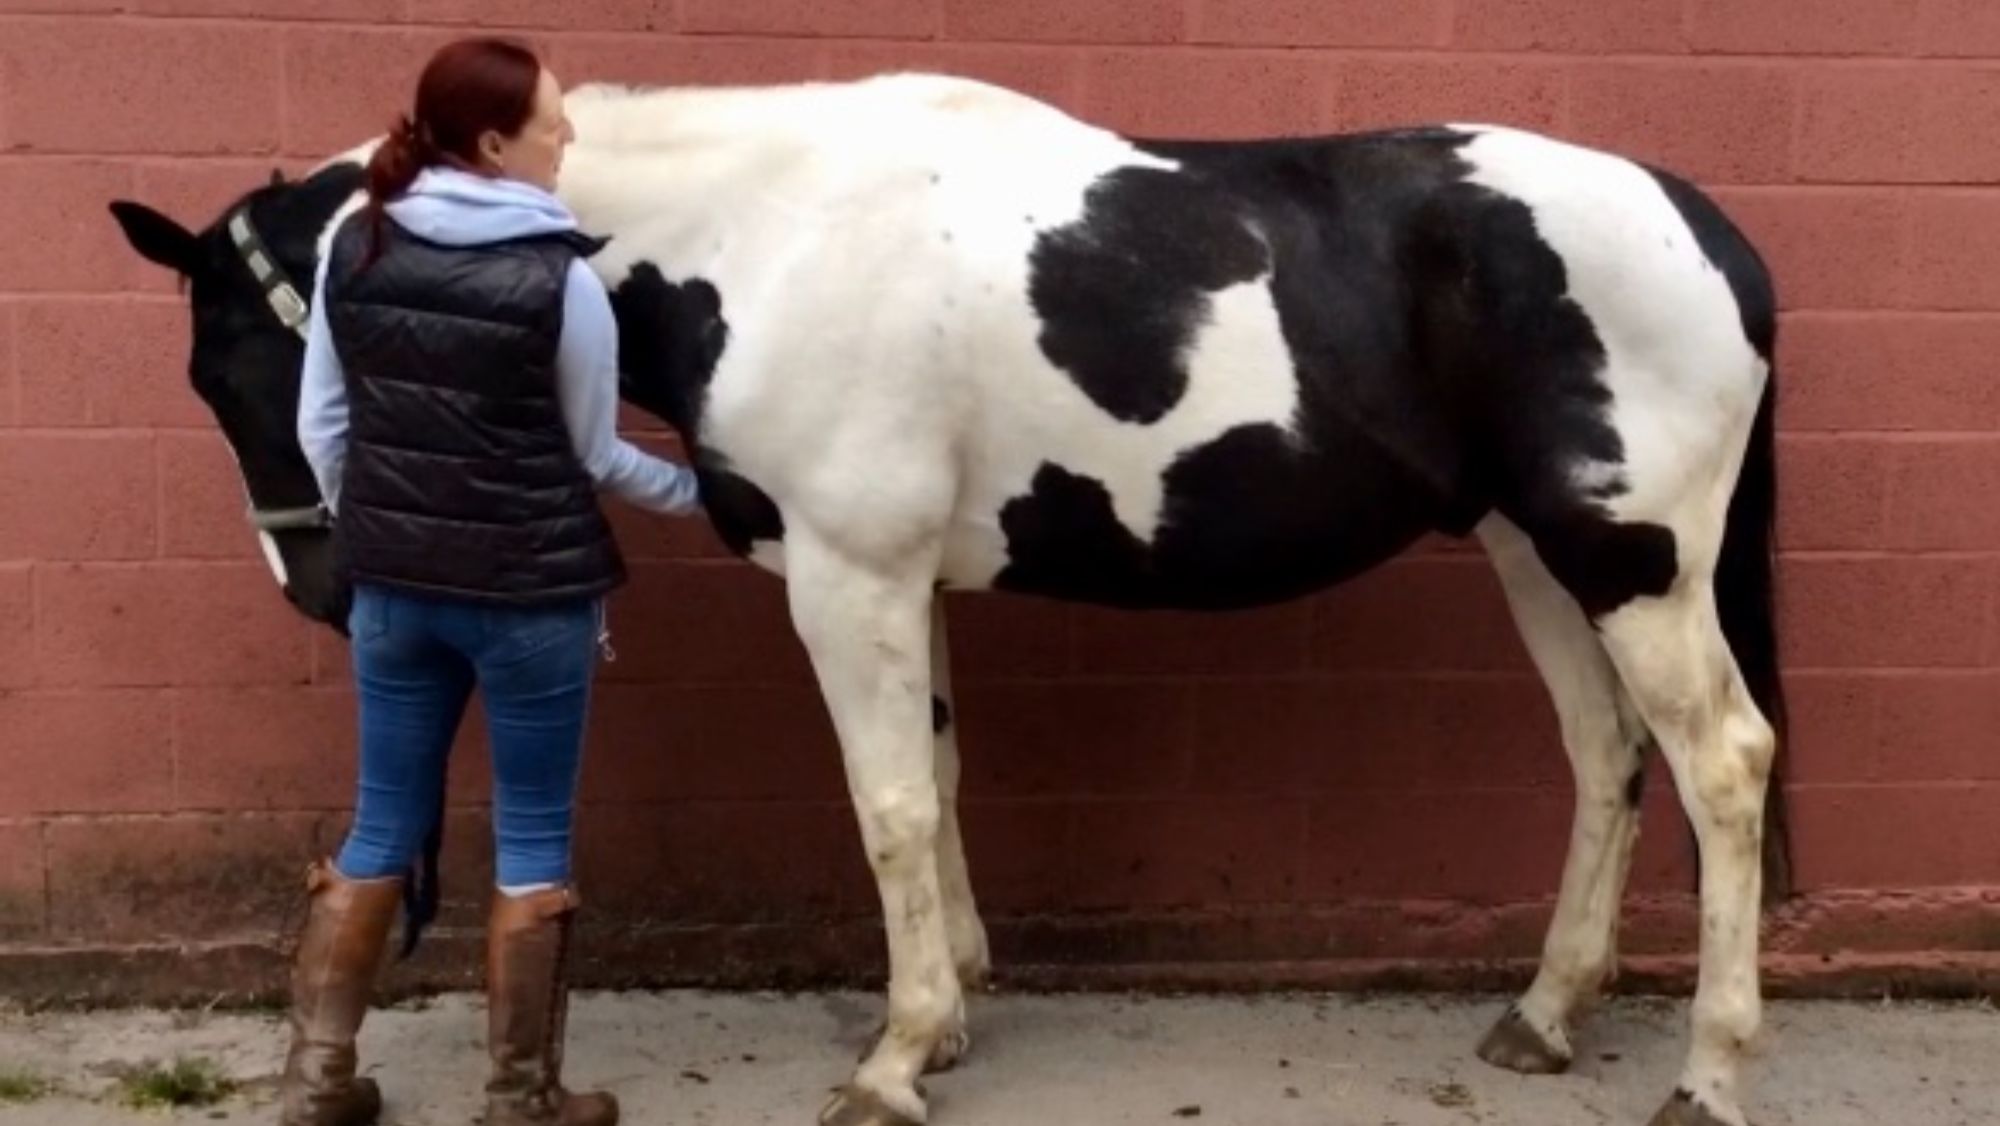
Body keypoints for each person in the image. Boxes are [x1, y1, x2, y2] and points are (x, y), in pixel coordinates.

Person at [280, 36, 700, 1126]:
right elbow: (598, 456)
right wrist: (713, 495)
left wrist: (374, 530)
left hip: (392, 593)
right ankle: (520, 1097)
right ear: (492, 141)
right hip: (529, 603)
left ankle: (315, 1082)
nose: (569, 139)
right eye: (553, 123)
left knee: (380, 825)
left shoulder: (356, 245)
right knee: (530, 840)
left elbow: (321, 425)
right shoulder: (563, 281)